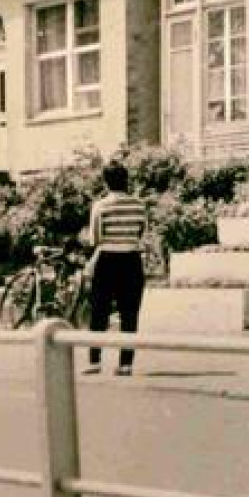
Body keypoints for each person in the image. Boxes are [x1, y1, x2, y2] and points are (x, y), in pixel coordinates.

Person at [80, 159, 149, 376]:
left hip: (107, 260)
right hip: (132, 260)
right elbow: (141, 234)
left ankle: (94, 361)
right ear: (126, 181)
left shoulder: (100, 206)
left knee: (99, 312)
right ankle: (126, 363)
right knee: (129, 313)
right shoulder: (139, 205)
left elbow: (95, 238)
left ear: (106, 182)